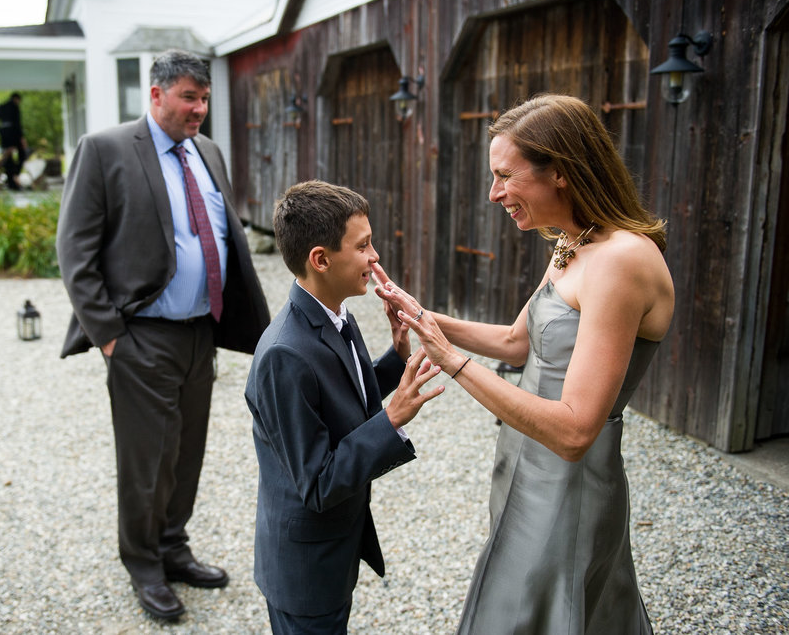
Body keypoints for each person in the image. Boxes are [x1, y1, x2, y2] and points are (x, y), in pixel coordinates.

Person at [375, 94, 673, 634]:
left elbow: (577, 430)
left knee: (544, 611)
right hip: (524, 463)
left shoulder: (621, 261)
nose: (494, 194)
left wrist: (453, 361)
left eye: (505, 176)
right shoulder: (574, 243)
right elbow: (518, 342)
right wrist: (422, 316)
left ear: (558, 171)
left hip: (571, 481)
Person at [56, 49, 270, 621]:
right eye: (187, 98)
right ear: (156, 95)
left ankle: (174, 548)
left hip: (202, 332)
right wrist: (108, 337)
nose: (199, 109)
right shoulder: (105, 150)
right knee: (146, 459)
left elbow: (221, 233)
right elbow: (74, 250)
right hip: (140, 336)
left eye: (204, 99)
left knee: (186, 453)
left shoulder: (209, 152)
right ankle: (144, 564)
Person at [245, 180, 445, 634]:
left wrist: (395, 358)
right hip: (305, 568)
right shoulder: (284, 356)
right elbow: (317, 482)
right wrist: (392, 418)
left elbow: (343, 398)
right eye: (364, 245)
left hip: (333, 547)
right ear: (321, 259)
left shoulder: (335, 312)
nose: (375, 257)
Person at [0, 92, 27, 189]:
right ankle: (14, 176)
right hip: (14, 135)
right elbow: (17, 124)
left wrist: (1, 131)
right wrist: (21, 138)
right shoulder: (15, 107)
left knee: (8, 159)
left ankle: (11, 180)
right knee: (22, 155)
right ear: (16, 99)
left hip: (4, 136)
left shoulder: (1, 107)